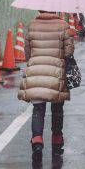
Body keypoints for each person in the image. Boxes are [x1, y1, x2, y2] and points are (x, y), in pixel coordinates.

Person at [18, 11, 74, 156]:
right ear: (55, 10)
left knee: (38, 109)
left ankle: (37, 139)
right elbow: (68, 53)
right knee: (57, 108)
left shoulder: (32, 25)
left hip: (36, 72)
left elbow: (27, 53)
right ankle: (56, 137)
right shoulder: (64, 25)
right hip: (56, 73)